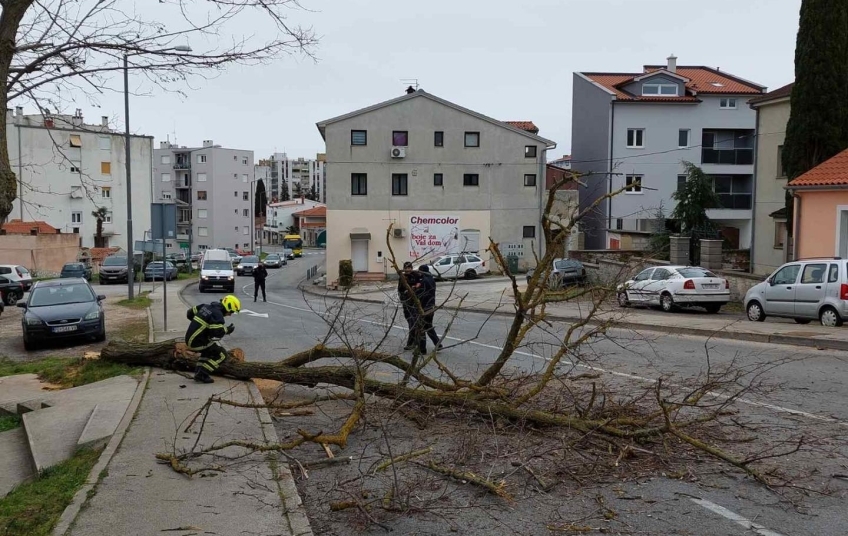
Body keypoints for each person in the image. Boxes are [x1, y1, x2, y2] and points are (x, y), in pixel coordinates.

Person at [185, 295, 241, 383]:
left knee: (208, 352)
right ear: (228, 307)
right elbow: (216, 333)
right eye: (231, 312)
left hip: (189, 338)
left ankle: (198, 372)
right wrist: (227, 330)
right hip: (197, 342)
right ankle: (202, 374)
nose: (230, 314)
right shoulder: (218, 315)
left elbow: (189, 313)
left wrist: (197, 325)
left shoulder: (205, 306)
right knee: (222, 355)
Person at [417, 265, 442, 351]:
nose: (419, 273)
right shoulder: (431, 279)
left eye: (420, 271)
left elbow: (420, 294)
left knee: (421, 328)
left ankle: (422, 349)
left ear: (422, 271)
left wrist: (415, 288)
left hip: (425, 307)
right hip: (431, 306)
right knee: (428, 326)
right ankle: (438, 344)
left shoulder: (424, 281)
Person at [398, 262, 421, 350]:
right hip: (406, 302)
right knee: (410, 321)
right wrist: (403, 298)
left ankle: (411, 343)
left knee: (413, 323)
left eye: (409, 268)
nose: (407, 270)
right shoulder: (402, 277)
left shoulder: (416, 275)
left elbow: (420, 284)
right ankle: (415, 341)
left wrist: (414, 288)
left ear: (411, 268)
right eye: (406, 268)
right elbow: (400, 289)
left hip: (414, 302)